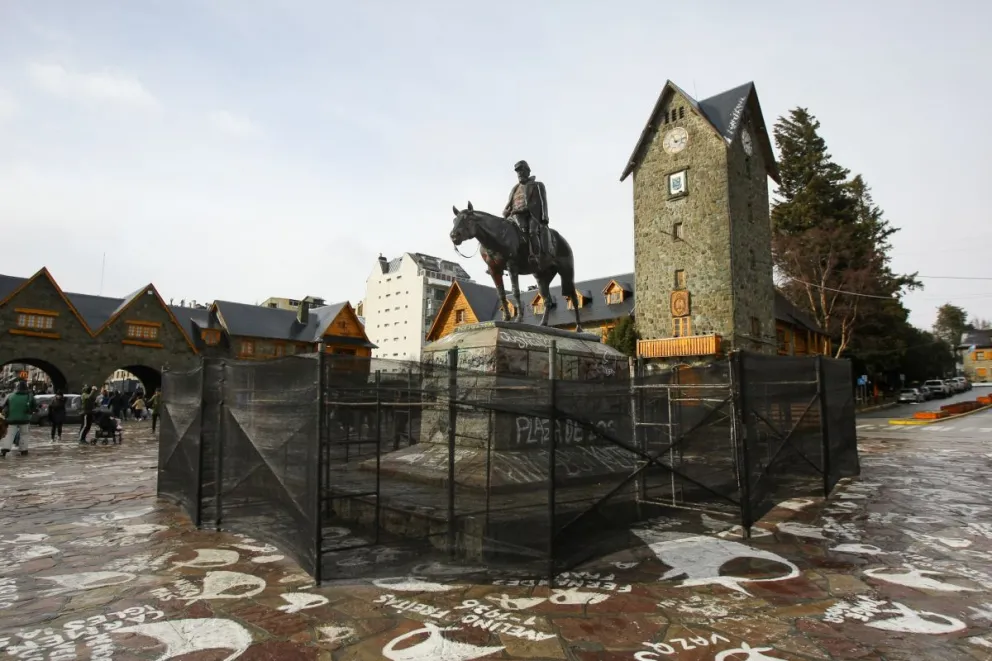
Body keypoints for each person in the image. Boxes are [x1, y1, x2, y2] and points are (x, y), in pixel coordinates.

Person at [502, 160, 549, 267]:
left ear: (528, 171)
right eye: (518, 171)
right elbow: (509, 204)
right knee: (504, 231)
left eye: (522, 170)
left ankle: (536, 256)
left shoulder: (537, 185)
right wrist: (505, 211)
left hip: (531, 214)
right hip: (514, 215)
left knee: (532, 232)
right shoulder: (514, 188)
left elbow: (543, 201)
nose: (520, 173)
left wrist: (544, 216)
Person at [1, 381, 36, 457]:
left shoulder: (10, 396)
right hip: (25, 419)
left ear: (16, 388)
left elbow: (3, 406)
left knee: (10, 434)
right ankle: (23, 450)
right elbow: (34, 407)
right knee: (24, 434)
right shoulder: (30, 396)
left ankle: (5, 449)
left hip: (11, 419)